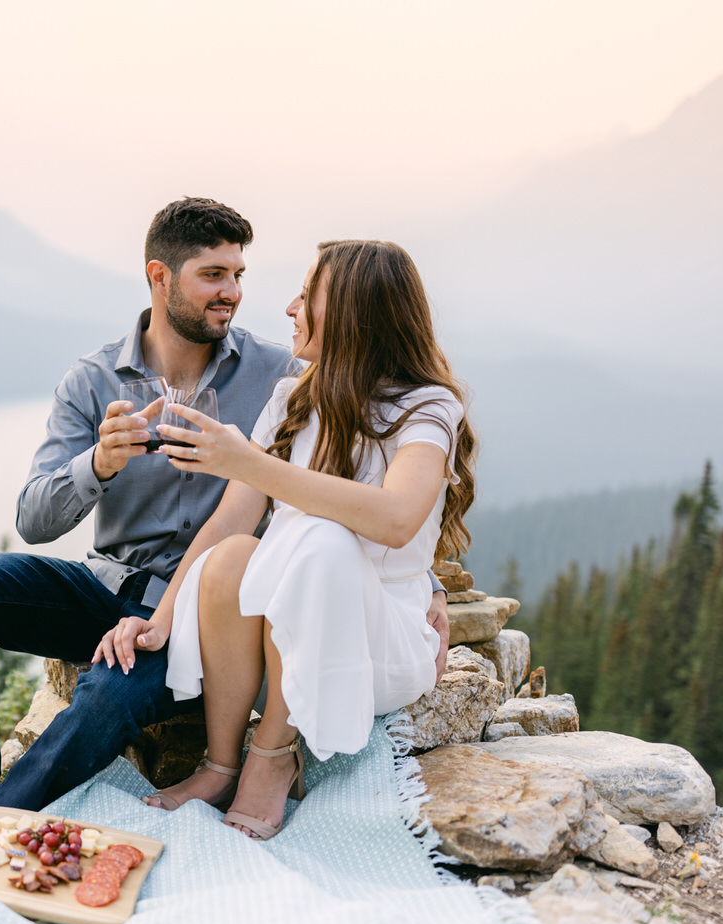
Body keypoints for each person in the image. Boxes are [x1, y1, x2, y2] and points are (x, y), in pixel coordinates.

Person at [0, 205, 450, 874]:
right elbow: (34, 518)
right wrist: (99, 464)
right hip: (105, 586)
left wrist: (423, 579)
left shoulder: (280, 372)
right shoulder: (93, 380)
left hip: (211, 611)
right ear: (160, 278)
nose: (232, 290)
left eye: (238, 273)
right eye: (213, 274)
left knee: (107, 692)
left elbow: (372, 473)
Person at [93, 239, 475, 840]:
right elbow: (228, 522)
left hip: (375, 650)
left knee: (322, 539)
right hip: (280, 651)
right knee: (231, 558)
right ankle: (221, 764)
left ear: (352, 311)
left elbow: (399, 517)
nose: (291, 307)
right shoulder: (293, 398)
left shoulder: (427, 407)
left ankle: (272, 754)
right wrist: (162, 618)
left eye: (308, 294)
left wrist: (249, 462)